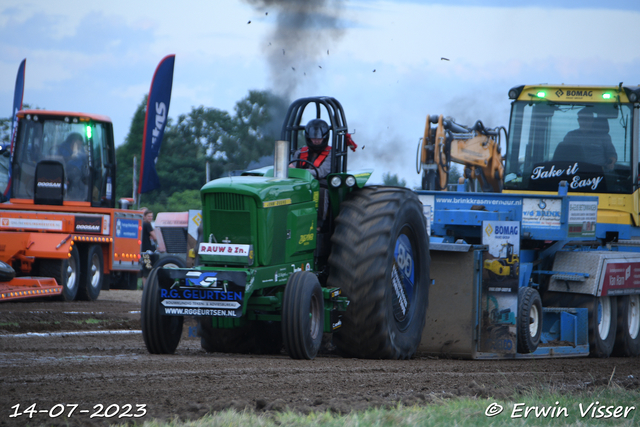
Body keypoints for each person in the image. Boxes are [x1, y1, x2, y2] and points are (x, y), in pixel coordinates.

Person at [140, 208, 157, 288]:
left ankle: (144, 286)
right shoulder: (147, 224)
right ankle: (146, 287)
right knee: (148, 269)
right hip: (146, 251)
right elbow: (154, 237)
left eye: (151, 216)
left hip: (142, 250)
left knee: (145, 269)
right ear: (144, 216)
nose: (150, 218)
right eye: (149, 216)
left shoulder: (142, 224)